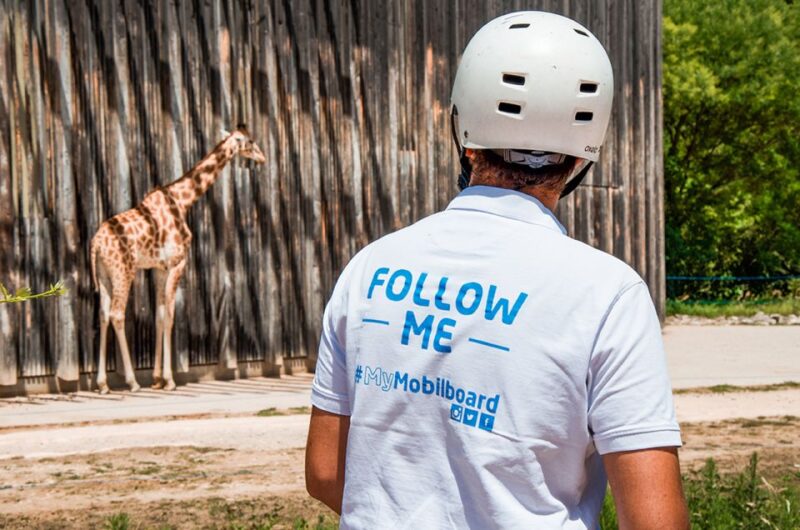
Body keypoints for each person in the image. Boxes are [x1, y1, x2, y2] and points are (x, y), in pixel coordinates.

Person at [305, 11, 689, 529]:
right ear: (582, 157)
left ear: (463, 131)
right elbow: (654, 521)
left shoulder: (369, 267)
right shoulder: (607, 294)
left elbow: (327, 472)